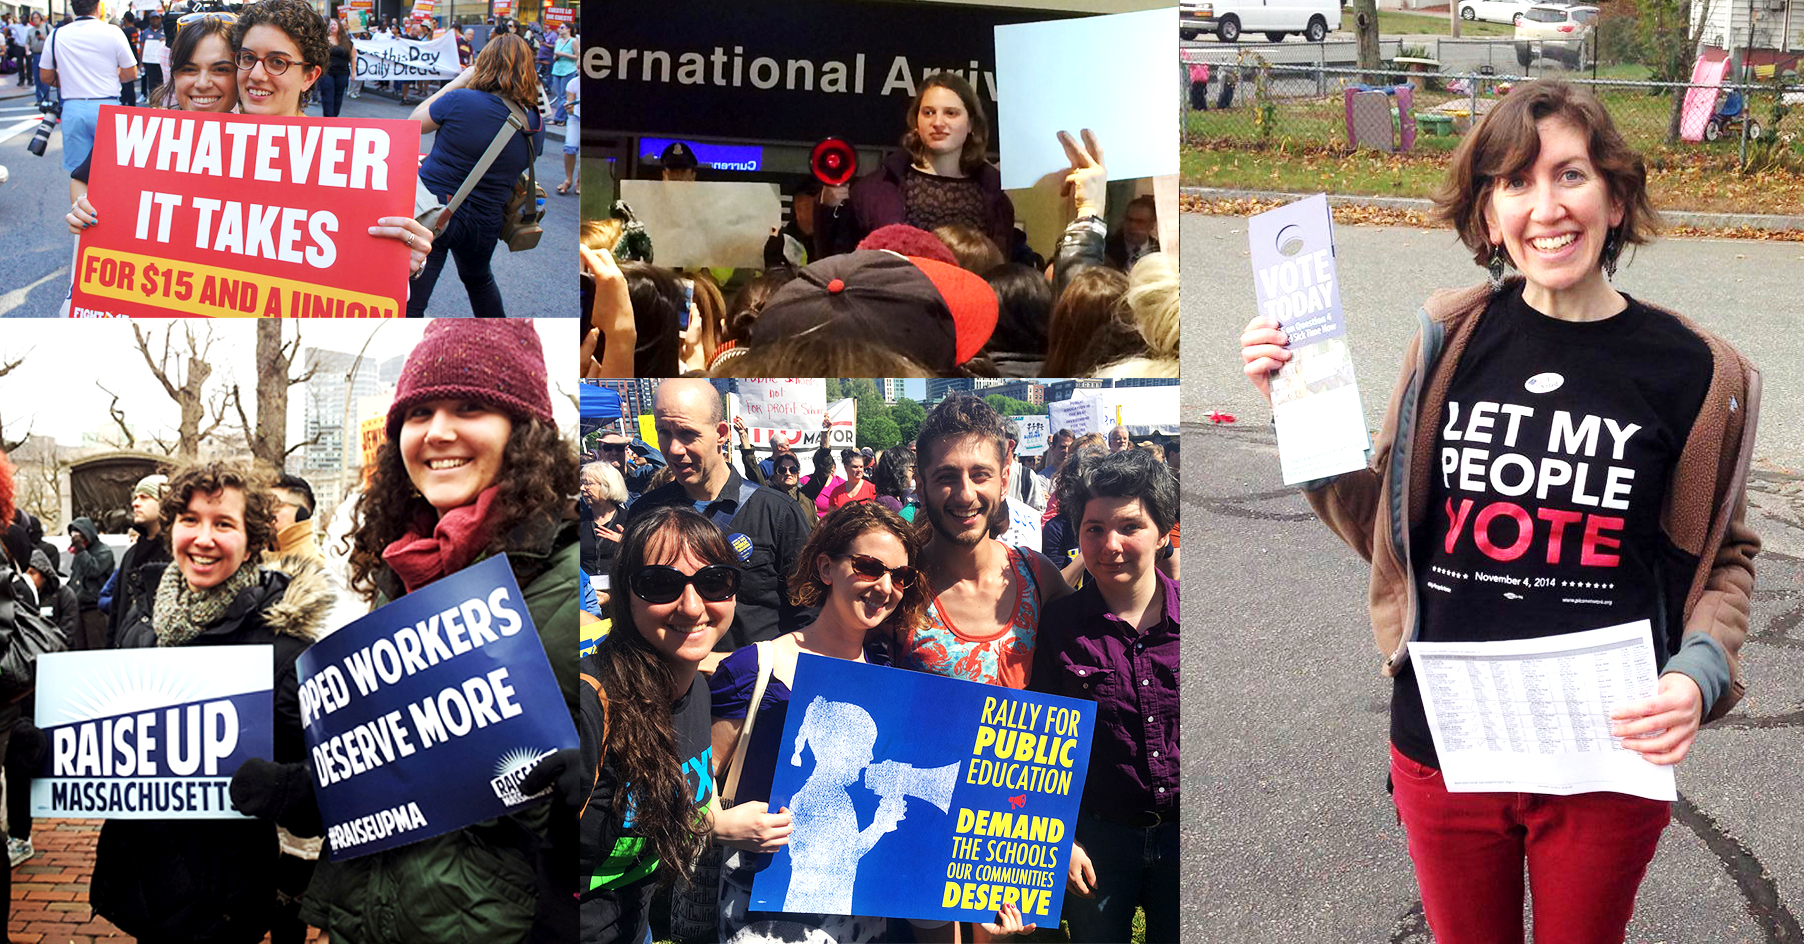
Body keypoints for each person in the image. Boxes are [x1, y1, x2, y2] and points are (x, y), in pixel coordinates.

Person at [1237, 79, 1761, 944]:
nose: (1545, 208)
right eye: (1514, 182)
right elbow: (1390, 529)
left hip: (1604, 758)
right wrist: (1295, 409)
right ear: (1487, 216)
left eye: (1570, 175)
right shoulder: (1450, 340)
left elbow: (1726, 556)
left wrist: (1697, 672)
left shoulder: (1699, 372)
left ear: (1617, 197)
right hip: (1447, 746)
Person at [302, 319, 580, 943]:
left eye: (471, 407)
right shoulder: (397, 569)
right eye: (419, 411)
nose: (438, 432)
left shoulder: (571, 568)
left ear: (525, 431)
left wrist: (584, 796)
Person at [90, 459, 332, 944]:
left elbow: (330, 786)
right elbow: (112, 741)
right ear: (172, 528)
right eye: (190, 520)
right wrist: (48, 754)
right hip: (141, 879)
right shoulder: (144, 621)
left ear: (252, 541)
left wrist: (288, 789)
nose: (203, 538)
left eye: (224, 523)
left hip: (220, 903)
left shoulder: (283, 648)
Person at [62, 9, 433, 279]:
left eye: (277, 62)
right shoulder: (190, 134)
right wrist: (91, 214)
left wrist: (405, 261)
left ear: (310, 76)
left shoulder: (353, 160)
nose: (256, 75)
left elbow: (371, 259)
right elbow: (98, 184)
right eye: (247, 59)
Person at [709, 501, 927, 944]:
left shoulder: (890, 679)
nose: (885, 586)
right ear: (826, 568)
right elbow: (695, 778)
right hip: (763, 909)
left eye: (900, 576)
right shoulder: (758, 667)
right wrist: (721, 824)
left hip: (861, 913)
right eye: (869, 567)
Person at [1027, 448, 1179, 943]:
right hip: (1097, 840)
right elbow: (1038, 746)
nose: (1110, 545)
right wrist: (1060, 841)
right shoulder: (1059, 627)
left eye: (1130, 526)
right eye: (1094, 529)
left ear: (1163, 532)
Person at [579, 507, 733, 944]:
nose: (691, 605)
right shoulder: (587, 708)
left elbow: (687, 805)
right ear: (625, 595)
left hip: (634, 924)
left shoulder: (697, 693)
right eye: (660, 584)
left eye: (714, 581)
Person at [891, 394, 1070, 688]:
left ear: (1003, 482)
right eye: (946, 477)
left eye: (980, 475)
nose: (966, 494)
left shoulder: (1038, 576)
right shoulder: (899, 586)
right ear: (921, 490)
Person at [627, 379, 812, 662]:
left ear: (721, 433)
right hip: (669, 688)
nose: (674, 449)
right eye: (664, 433)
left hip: (754, 691)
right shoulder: (646, 512)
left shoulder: (778, 512)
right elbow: (633, 608)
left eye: (687, 434)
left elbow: (808, 614)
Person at [406, 32, 544, 317]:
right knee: (480, 282)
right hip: (486, 220)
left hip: (434, 211)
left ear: (484, 65)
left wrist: (457, 81)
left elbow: (413, 124)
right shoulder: (534, 123)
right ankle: (501, 342)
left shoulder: (460, 100)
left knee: (414, 294)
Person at [815, 72, 1013, 259]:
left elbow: (1001, 271)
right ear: (916, 121)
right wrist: (828, 207)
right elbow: (837, 259)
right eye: (928, 112)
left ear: (971, 124)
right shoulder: (875, 189)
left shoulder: (993, 197)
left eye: (950, 113)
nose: (938, 122)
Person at [37, 0, 137, 180]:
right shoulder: (113, 32)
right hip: (107, 105)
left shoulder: (56, 34)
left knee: (79, 173)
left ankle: (80, 206)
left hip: (73, 107)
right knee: (111, 168)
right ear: (98, 6)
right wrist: (112, 77)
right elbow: (131, 72)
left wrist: (69, 79)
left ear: (73, 8)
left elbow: (45, 76)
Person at [105, 473, 171, 649]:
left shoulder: (176, 552)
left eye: (144, 497)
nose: (135, 503)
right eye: (135, 498)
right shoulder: (130, 555)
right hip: (128, 651)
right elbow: (117, 612)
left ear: (164, 503)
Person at [64, 515, 112, 651]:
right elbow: (75, 577)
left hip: (95, 611)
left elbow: (92, 570)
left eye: (79, 533)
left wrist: (81, 550)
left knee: (97, 650)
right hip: (78, 610)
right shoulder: (79, 554)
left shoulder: (104, 552)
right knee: (79, 650)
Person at [579, 459, 627, 584]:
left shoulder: (629, 520)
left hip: (620, 589)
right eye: (581, 483)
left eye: (588, 483)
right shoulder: (580, 521)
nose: (582, 488)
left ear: (607, 485)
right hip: (586, 593)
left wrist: (627, 543)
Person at [1105, 194, 1159, 271]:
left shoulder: (1159, 252)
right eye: (1129, 220)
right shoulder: (1107, 250)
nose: (1132, 225)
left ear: (1152, 224)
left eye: (1140, 222)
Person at [270, 473, 318, 560]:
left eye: (275, 504)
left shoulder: (313, 566)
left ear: (302, 513)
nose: (267, 511)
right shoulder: (254, 557)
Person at [317, 16, 351, 117]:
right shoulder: (324, 40)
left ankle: (334, 118)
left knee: (338, 95)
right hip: (327, 72)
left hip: (342, 72)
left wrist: (353, 72)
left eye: (334, 24)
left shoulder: (346, 41)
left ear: (339, 27)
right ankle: (328, 118)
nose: (332, 26)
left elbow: (353, 56)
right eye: (331, 24)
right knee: (327, 94)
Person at [871, 444, 914, 515]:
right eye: (912, 467)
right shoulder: (891, 505)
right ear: (900, 471)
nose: (913, 472)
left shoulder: (889, 500)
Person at [548, 21, 574, 123]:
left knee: (564, 95)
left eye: (562, 27)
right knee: (559, 96)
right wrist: (556, 56)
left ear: (568, 29)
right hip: (557, 69)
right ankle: (563, 118)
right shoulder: (558, 41)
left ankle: (558, 118)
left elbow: (576, 56)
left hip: (568, 69)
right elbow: (554, 56)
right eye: (559, 27)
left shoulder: (573, 41)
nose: (560, 29)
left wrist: (563, 54)